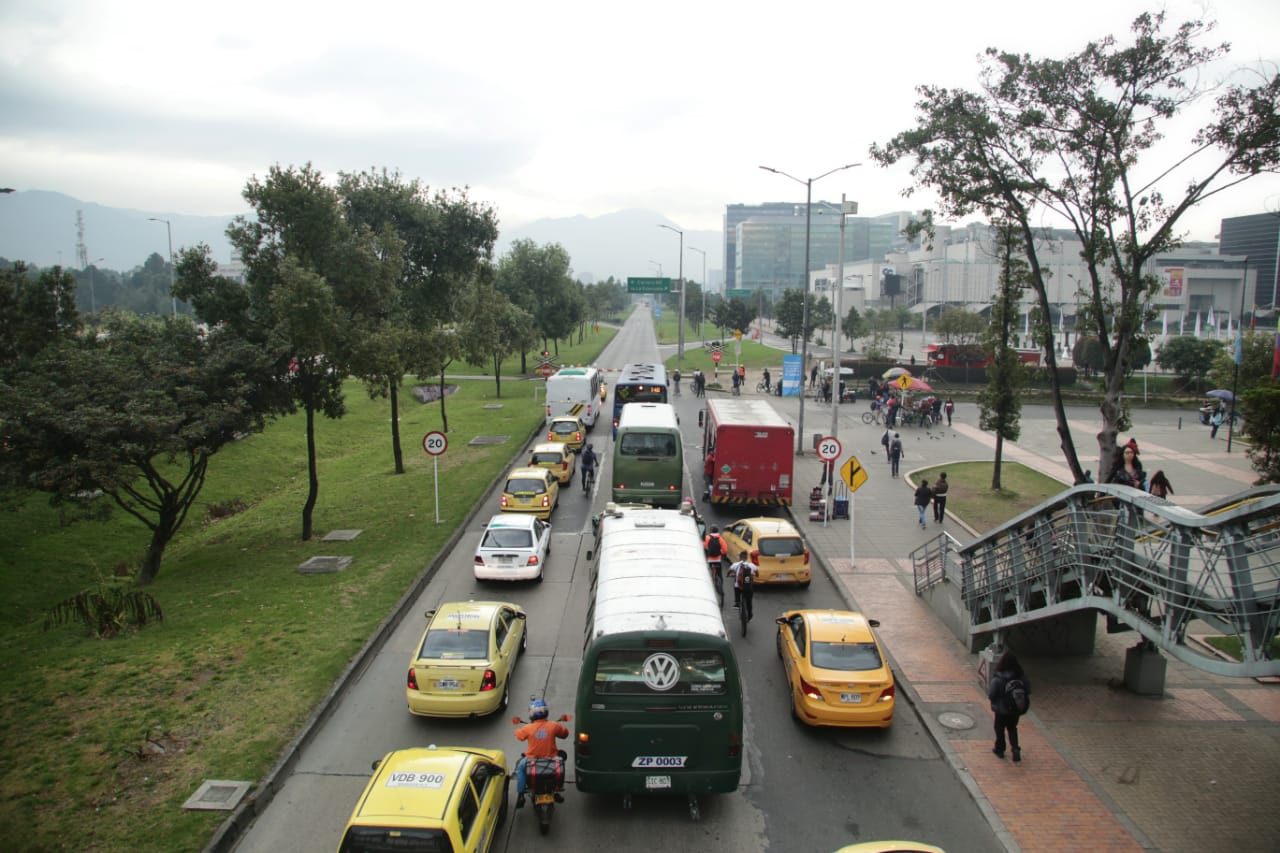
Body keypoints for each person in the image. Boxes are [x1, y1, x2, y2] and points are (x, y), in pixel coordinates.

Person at [514, 699, 570, 806]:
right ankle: (557, 790)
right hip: (551, 759)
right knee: (562, 763)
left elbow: (519, 736)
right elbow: (565, 734)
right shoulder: (553, 725)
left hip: (531, 760)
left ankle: (521, 795)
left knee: (520, 768)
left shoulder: (528, 728)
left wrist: (516, 730)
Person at [987, 651, 1030, 762]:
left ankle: (1000, 749)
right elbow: (1028, 690)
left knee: (999, 729)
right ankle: (1015, 749)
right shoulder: (1021, 676)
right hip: (1015, 710)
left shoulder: (998, 678)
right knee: (1012, 728)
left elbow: (991, 694)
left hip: (1001, 710)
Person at [728, 550, 758, 617]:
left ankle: (737, 603)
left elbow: (729, 571)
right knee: (749, 601)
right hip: (748, 587)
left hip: (739, 587)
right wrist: (755, 575)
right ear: (747, 557)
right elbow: (757, 573)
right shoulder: (751, 565)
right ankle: (750, 614)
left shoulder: (736, 564)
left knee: (735, 585)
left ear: (740, 557)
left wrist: (728, 575)